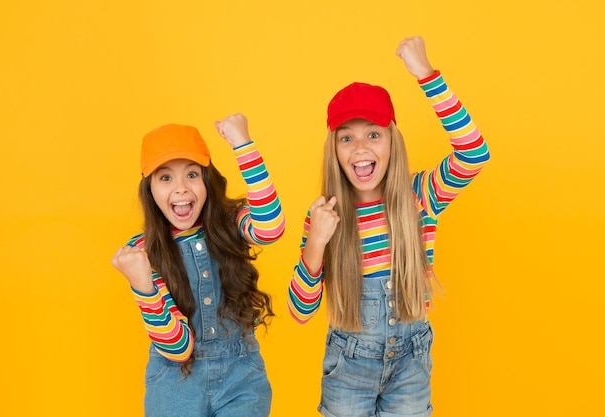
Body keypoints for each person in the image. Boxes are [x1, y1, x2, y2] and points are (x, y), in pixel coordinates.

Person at [287, 36, 490, 417]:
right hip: (349, 366)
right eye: (346, 137)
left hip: (411, 364)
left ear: (392, 142)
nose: (360, 148)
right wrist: (316, 244)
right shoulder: (325, 216)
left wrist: (426, 75)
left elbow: (474, 153)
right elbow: (299, 312)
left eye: (373, 134)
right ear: (334, 150)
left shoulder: (421, 195)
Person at [112, 114, 285, 417]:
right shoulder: (144, 252)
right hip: (175, 384)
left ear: (207, 181)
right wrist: (143, 287)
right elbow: (178, 348)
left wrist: (243, 145)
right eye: (165, 178)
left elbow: (271, 228)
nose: (180, 188)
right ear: (150, 190)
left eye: (192, 175)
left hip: (241, 378)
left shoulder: (231, 221)